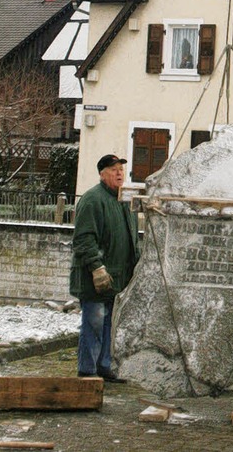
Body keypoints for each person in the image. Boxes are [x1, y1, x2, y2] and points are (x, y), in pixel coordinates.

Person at [70, 154, 140, 382]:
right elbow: (83, 239)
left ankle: (104, 366)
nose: (119, 173)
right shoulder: (93, 200)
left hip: (118, 279)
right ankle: (87, 371)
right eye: (113, 169)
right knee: (94, 324)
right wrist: (96, 268)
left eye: (121, 169)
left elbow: (132, 238)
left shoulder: (124, 201)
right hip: (97, 279)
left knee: (109, 325)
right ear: (102, 174)